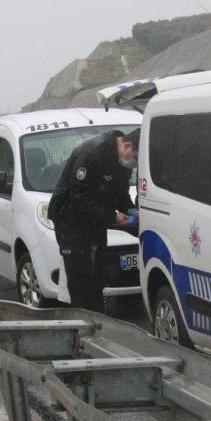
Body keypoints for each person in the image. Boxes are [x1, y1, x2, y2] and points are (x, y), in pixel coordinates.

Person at [47, 128, 139, 313]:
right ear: (127, 145)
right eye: (135, 158)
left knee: (97, 278)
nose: (134, 164)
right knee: (81, 283)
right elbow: (79, 196)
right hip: (70, 221)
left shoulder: (120, 162)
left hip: (94, 223)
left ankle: (96, 322)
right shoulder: (92, 154)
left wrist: (130, 210)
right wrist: (112, 216)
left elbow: (118, 193)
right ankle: (81, 328)